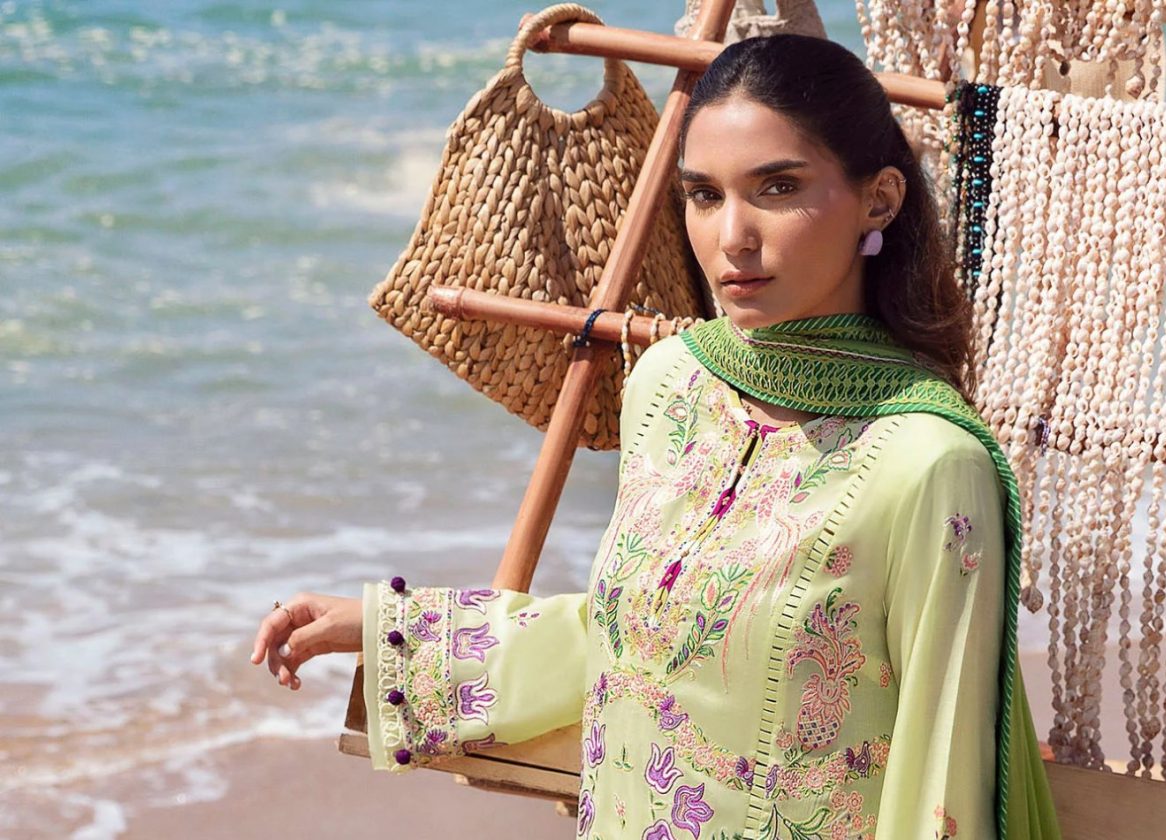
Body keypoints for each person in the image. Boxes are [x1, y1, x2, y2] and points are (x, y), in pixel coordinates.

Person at [251, 34, 1060, 840]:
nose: (732, 236)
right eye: (703, 195)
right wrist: (394, 629)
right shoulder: (670, 385)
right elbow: (630, 639)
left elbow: (940, 777)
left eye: (777, 187)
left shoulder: (929, 464)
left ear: (879, 200)